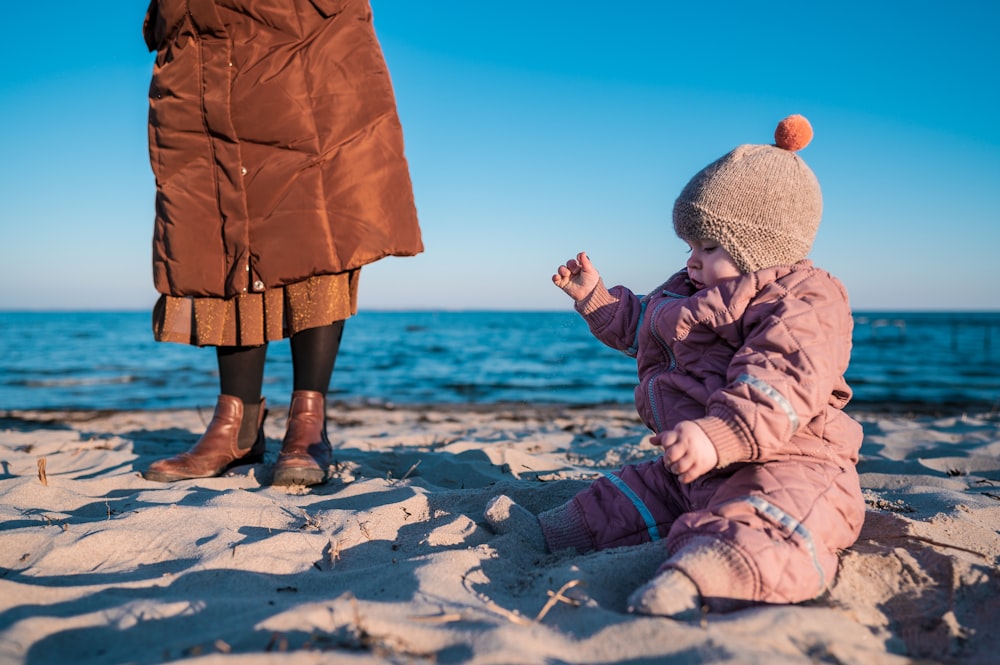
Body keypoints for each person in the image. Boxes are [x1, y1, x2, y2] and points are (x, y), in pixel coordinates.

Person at [485, 115, 865, 617]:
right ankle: (551, 533)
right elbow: (647, 322)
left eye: (709, 248)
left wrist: (719, 435)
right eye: (688, 246)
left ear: (763, 249)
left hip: (787, 460)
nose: (692, 260)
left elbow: (785, 378)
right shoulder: (690, 292)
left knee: (777, 520)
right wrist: (597, 300)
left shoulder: (803, 299)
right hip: (692, 463)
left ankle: (706, 573)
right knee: (624, 495)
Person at [140, 0, 423, 486]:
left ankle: (307, 423)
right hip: (199, 54)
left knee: (312, 225)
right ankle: (236, 426)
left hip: (300, 42)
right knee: (217, 234)